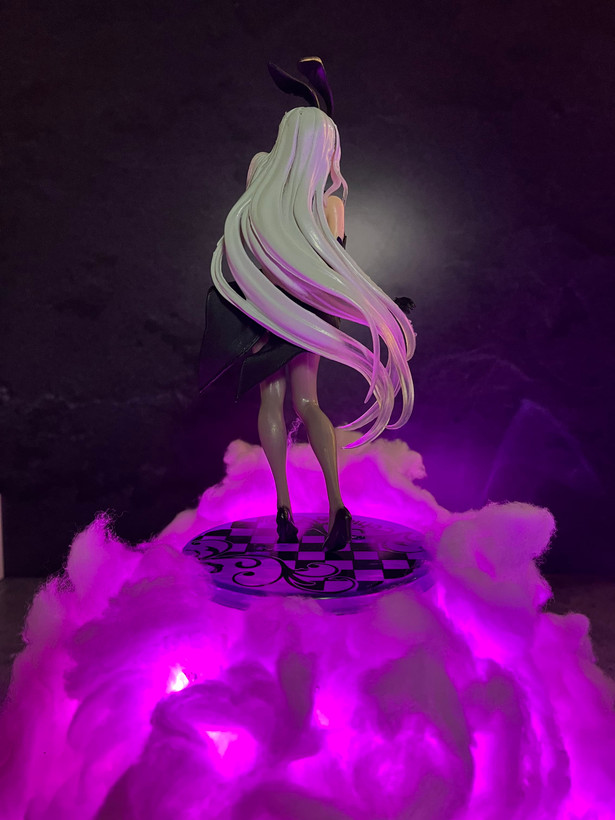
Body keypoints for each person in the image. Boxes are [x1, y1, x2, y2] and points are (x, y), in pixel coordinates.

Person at [200, 62, 416, 550]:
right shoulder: (330, 207)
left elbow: (250, 253)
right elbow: (335, 269)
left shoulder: (260, 192)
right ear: (325, 151)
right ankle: (338, 505)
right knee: (308, 403)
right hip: (304, 313)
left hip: (264, 309)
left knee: (271, 402)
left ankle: (283, 507)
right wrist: (372, 305)